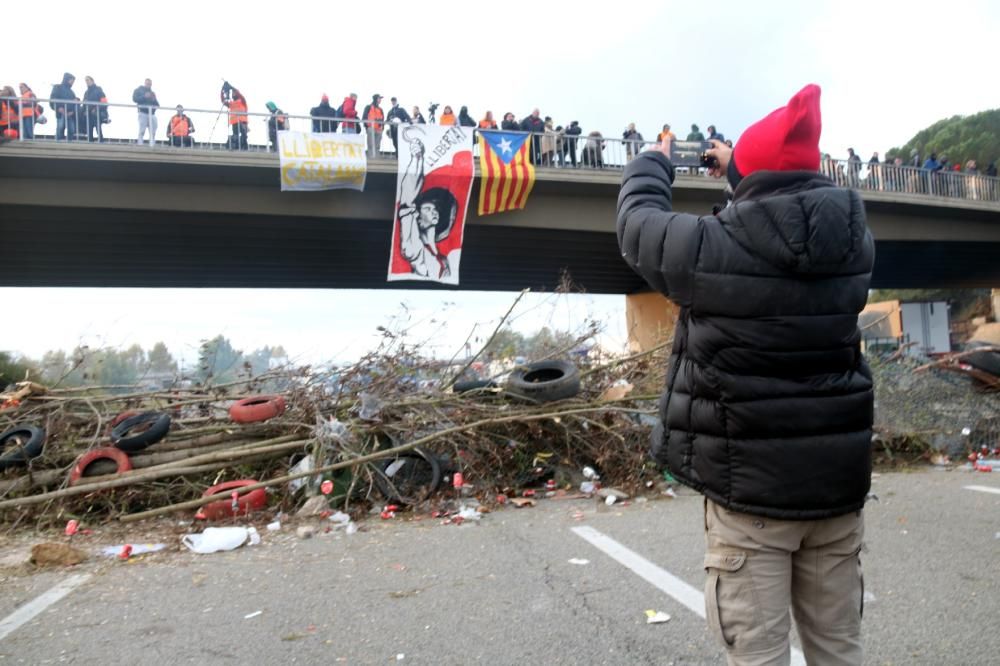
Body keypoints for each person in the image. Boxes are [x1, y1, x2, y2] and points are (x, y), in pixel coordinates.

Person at [617, 84, 874, 666]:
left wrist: (654, 160)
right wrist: (745, 169)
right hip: (836, 494)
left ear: (753, 179)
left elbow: (637, 225)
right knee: (839, 649)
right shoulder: (857, 244)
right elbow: (786, 219)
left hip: (752, 496)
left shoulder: (711, 249)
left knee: (758, 655)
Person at [396, 128, 459, 279]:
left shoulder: (443, 259)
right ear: (417, 215)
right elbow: (407, 199)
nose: (434, 211)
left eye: (435, 208)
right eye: (428, 208)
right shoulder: (415, 249)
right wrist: (416, 159)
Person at [50, 72, 78, 141]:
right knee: (60, 128)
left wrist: (72, 112)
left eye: (73, 81)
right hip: (61, 113)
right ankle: (57, 144)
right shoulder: (57, 87)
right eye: (71, 80)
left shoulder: (71, 92)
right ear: (67, 79)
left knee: (71, 129)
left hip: (70, 114)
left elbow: (75, 104)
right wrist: (58, 108)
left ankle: (69, 144)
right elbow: (53, 99)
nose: (72, 82)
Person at [133, 78, 159, 145]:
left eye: (150, 84)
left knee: (153, 131)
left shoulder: (152, 93)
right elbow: (134, 99)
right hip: (143, 112)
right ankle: (140, 144)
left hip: (152, 114)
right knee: (142, 130)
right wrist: (144, 96)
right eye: (147, 83)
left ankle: (152, 144)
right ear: (145, 83)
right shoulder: (138, 90)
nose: (149, 85)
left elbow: (157, 104)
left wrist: (154, 103)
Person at [222, 83, 249, 150]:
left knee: (244, 135)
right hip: (235, 122)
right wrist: (222, 91)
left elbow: (239, 94)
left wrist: (231, 87)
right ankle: (236, 147)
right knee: (235, 135)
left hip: (242, 121)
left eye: (234, 93)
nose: (233, 94)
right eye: (232, 93)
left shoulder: (242, 101)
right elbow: (223, 101)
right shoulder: (231, 103)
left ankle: (244, 148)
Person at [82, 76, 108, 142]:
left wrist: (96, 109)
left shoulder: (99, 90)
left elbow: (104, 102)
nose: (86, 82)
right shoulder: (86, 93)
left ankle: (100, 139)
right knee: (89, 126)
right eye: (85, 81)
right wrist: (84, 111)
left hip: (97, 113)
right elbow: (84, 103)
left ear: (92, 81)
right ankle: (91, 140)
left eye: (88, 80)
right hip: (89, 113)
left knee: (96, 124)